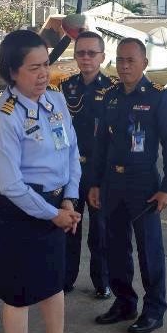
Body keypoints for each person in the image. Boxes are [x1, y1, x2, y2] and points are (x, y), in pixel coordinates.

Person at [0, 30, 84, 333]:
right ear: (12, 72)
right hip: (19, 211)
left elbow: (72, 152)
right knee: (19, 294)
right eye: (33, 68)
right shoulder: (4, 117)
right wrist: (54, 214)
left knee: (53, 284)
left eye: (46, 65)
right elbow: (11, 185)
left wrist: (70, 199)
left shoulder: (55, 100)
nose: (43, 74)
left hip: (57, 206)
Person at [88, 38, 167, 333]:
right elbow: (101, 143)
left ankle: (155, 309)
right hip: (112, 183)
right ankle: (124, 302)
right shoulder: (110, 96)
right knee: (115, 247)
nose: (124, 66)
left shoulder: (159, 97)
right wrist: (95, 183)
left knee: (149, 250)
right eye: (120, 60)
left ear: (144, 63)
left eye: (131, 60)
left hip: (144, 185)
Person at [60, 31, 114, 299]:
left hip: (99, 171)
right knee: (69, 226)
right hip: (71, 170)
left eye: (92, 53)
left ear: (102, 57)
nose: (86, 58)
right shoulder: (66, 87)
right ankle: (65, 278)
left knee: (100, 232)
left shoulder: (113, 89)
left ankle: (102, 282)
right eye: (80, 52)